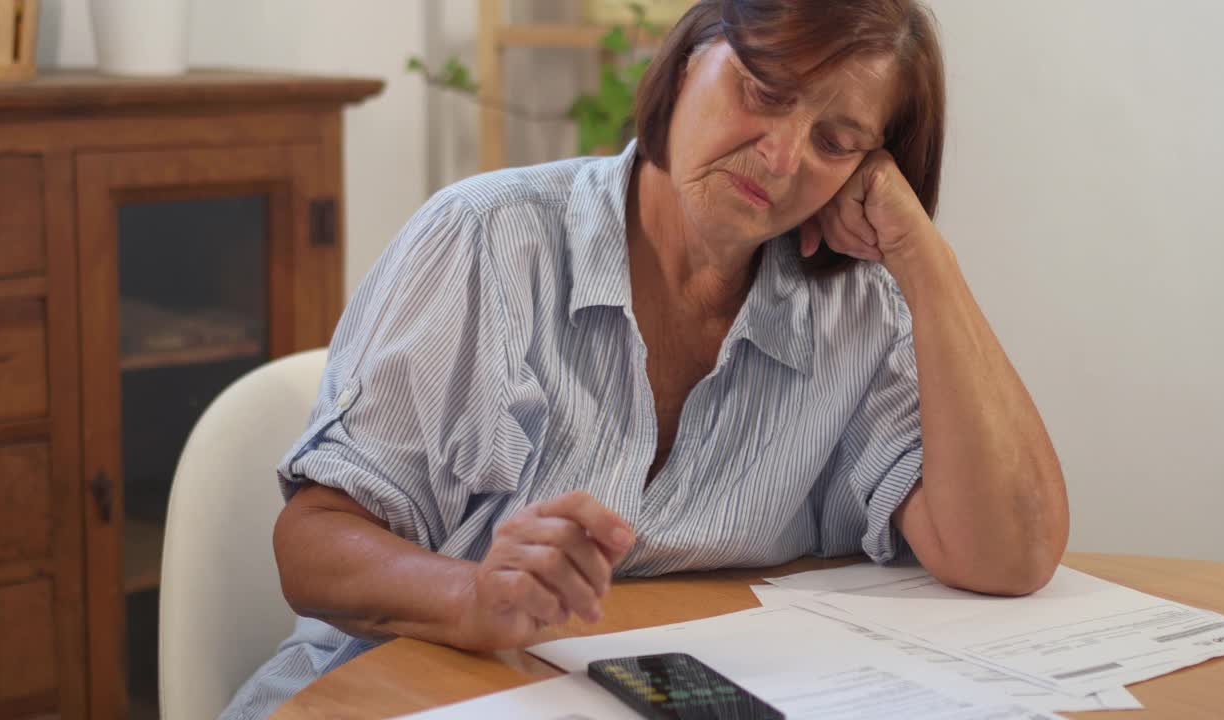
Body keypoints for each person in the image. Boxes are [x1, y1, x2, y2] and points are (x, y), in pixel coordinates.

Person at [220, 0, 1069, 717]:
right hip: (398, 697)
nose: (781, 157)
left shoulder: (859, 310)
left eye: (837, 141)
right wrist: (473, 595)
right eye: (762, 91)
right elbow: (313, 545)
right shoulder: (488, 241)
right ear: (693, 54)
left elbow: (1011, 554)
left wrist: (926, 260)